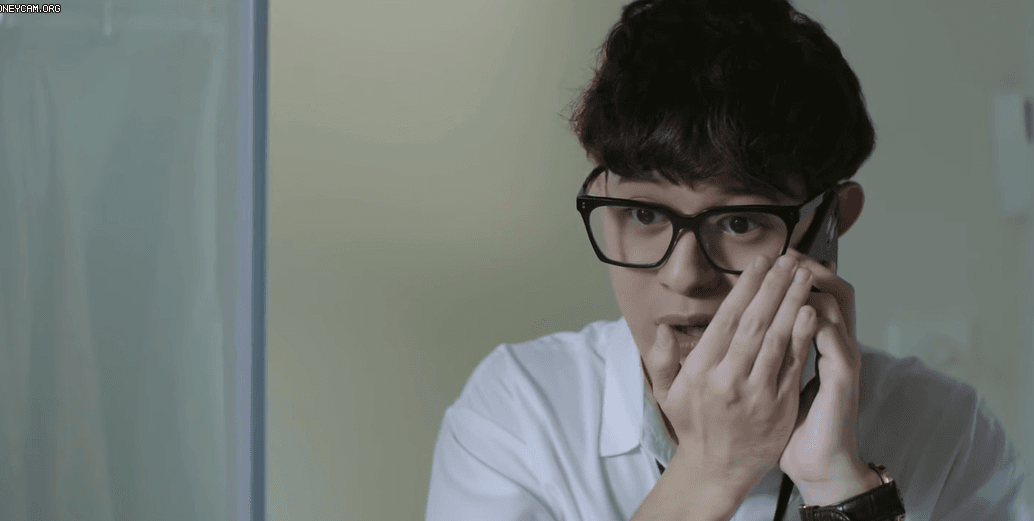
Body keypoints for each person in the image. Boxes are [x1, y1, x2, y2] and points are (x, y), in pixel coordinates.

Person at [425, 0, 1032, 519]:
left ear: (831, 224)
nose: (685, 275)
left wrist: (840, 489)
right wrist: (712, 468)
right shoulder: (519, 411)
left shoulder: (945, 430)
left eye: (740, 223)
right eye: (643, 214)